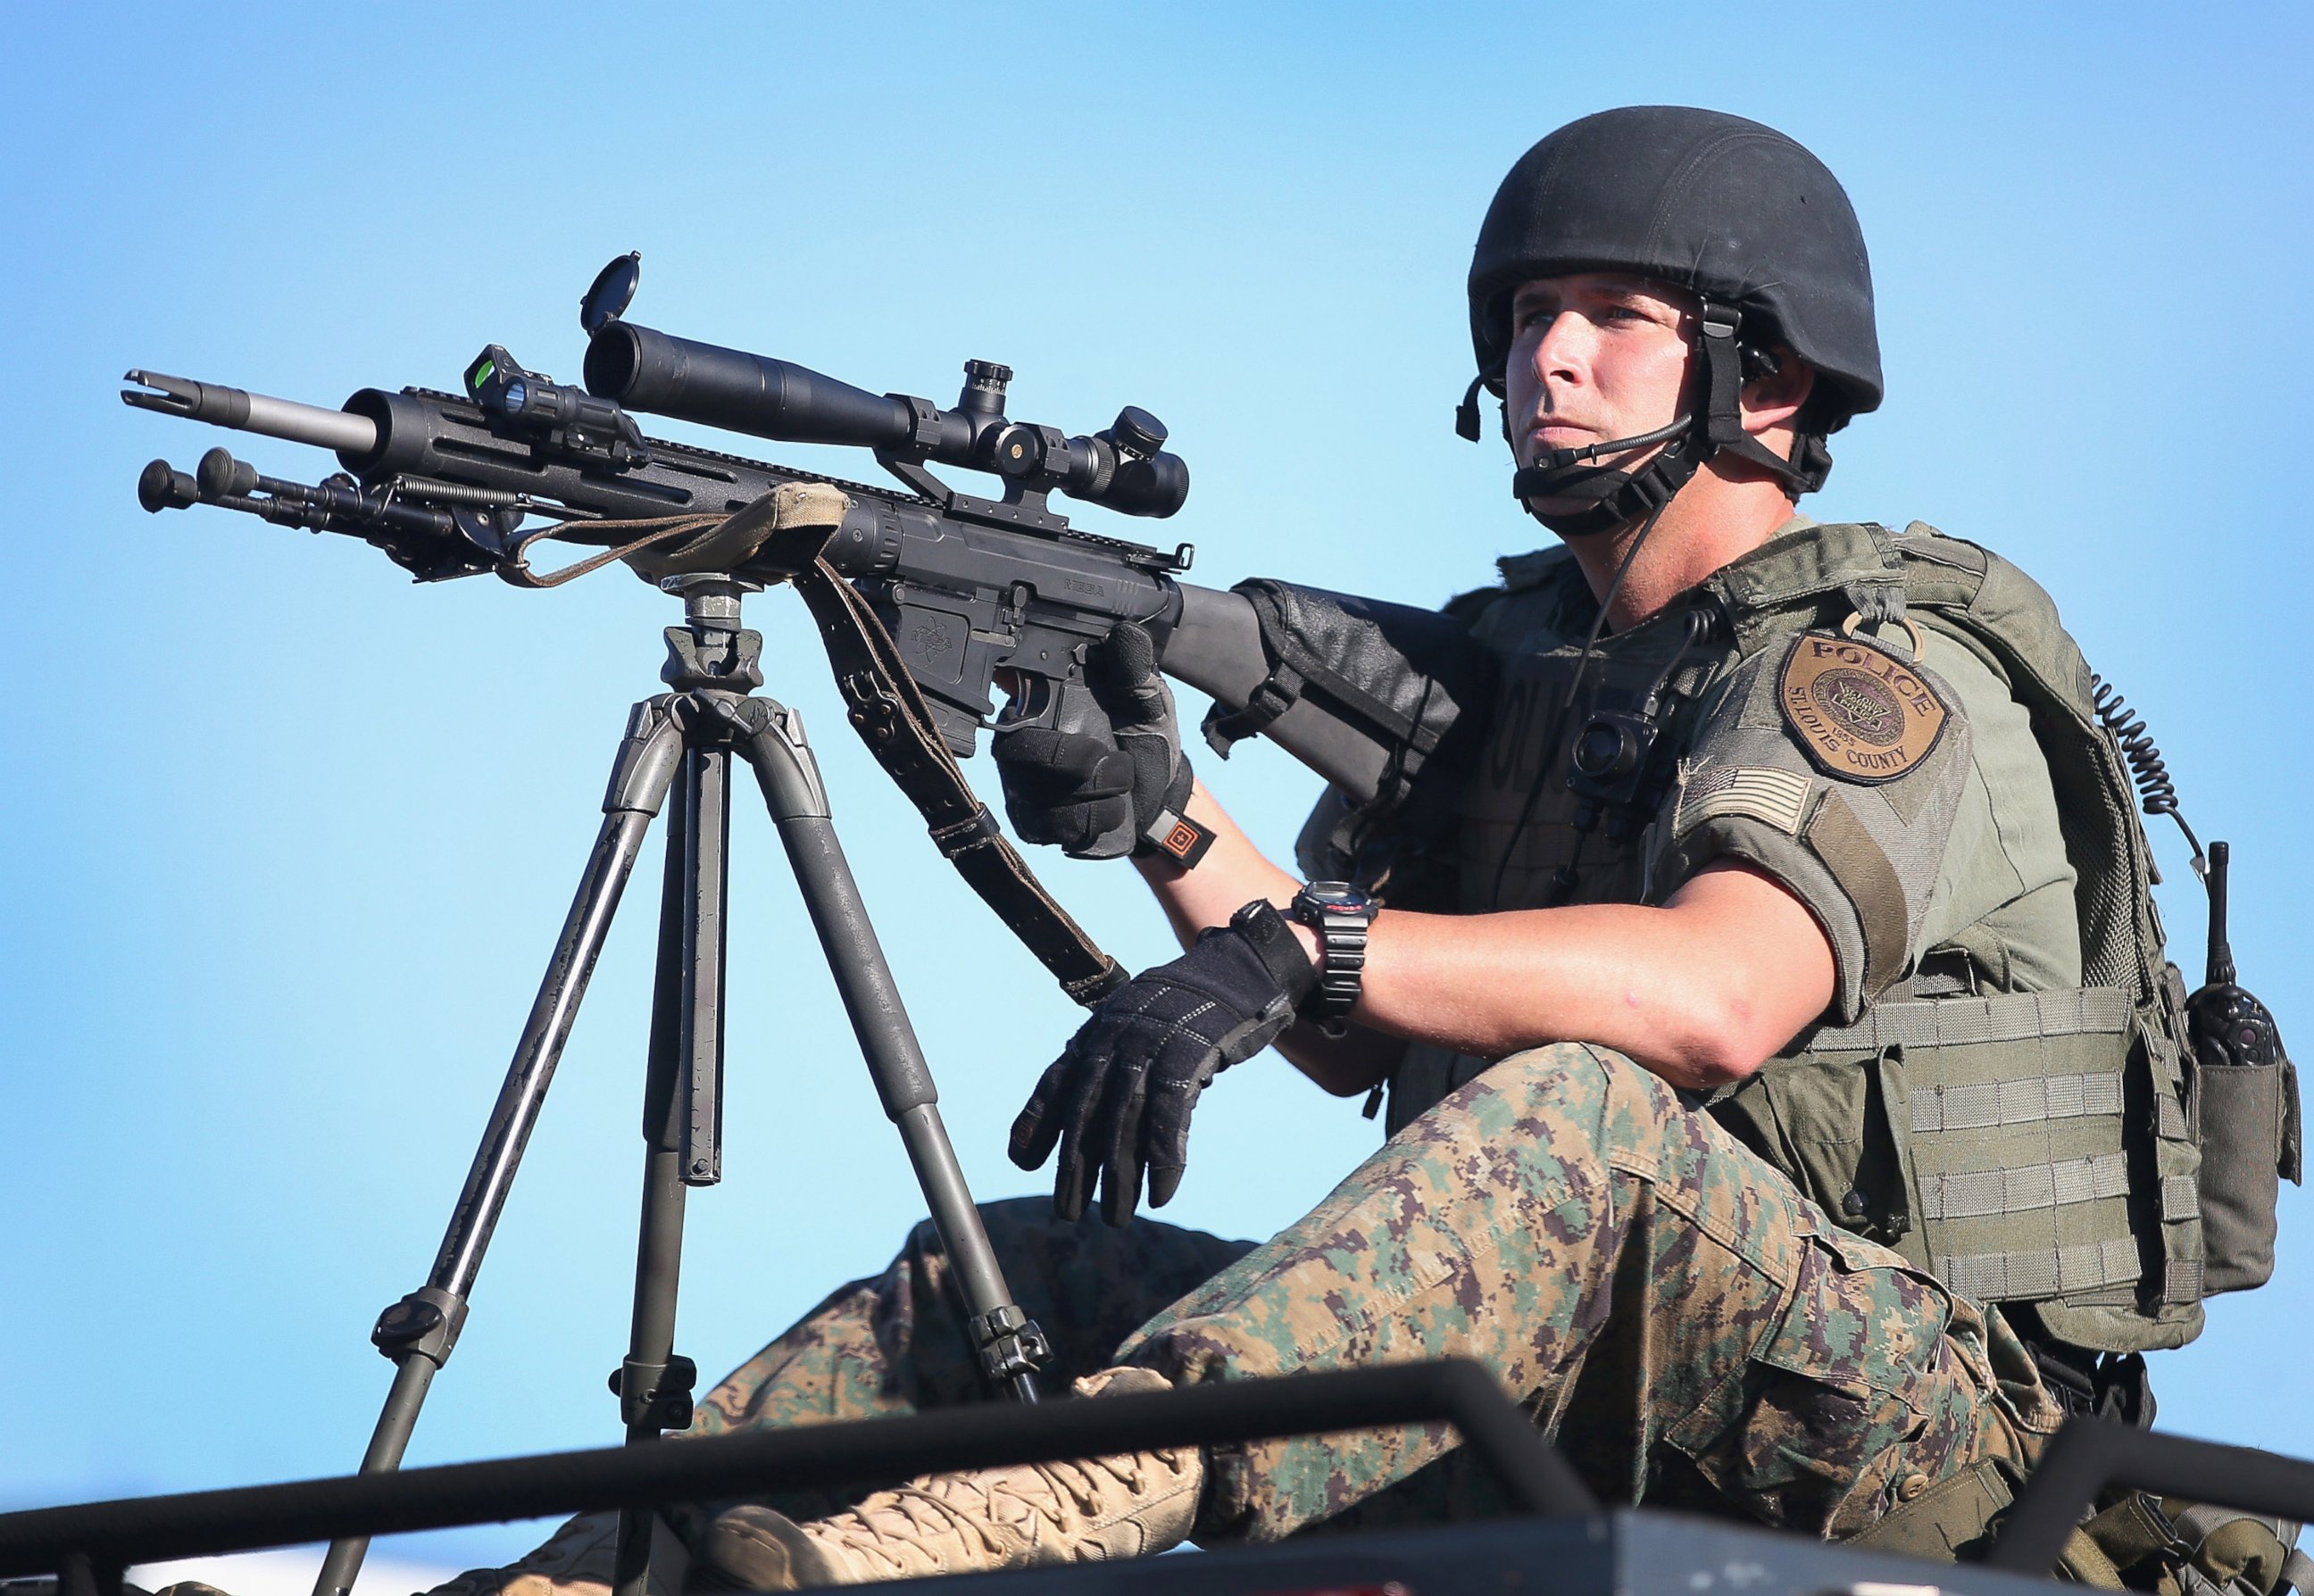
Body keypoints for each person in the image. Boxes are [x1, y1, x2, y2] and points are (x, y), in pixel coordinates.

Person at [423, 105, 2221, 1595]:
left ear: (1771, 375)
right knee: (1026, 1276)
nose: (1549, 358)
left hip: (1936, 1454)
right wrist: (1163, 817)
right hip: (1574, 1422)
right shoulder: (1529, 669)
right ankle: (580, 1584)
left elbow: (1714, 996)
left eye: (1612, 314)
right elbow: (1364, 1036)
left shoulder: (1876, 670)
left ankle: (1007, 1524)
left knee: (1581, 1108)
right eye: (1522, 319)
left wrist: (1302, 949)